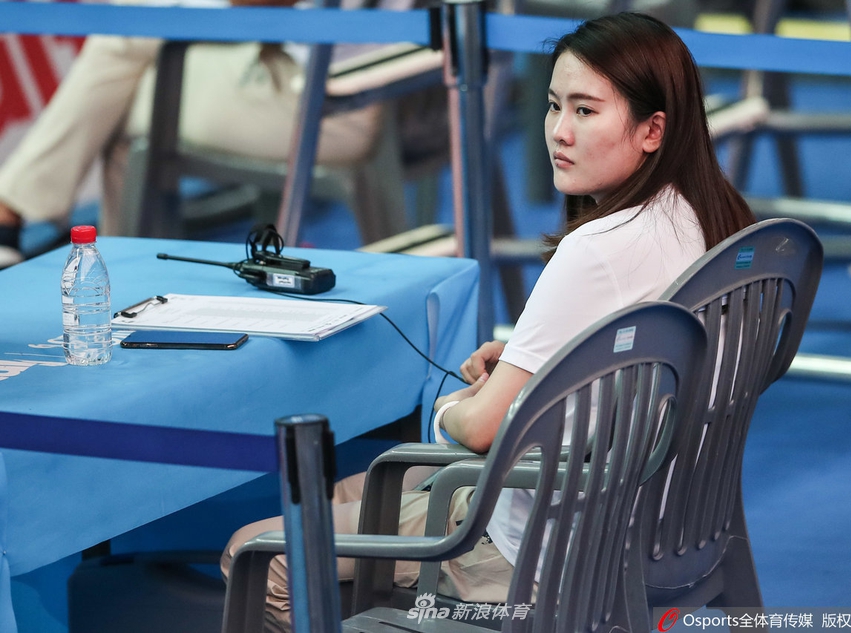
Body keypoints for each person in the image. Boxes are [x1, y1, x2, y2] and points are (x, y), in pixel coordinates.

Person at [220, 11, 756, 630]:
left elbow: (479, 431)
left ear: (652, 130)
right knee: (346, 493)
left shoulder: (597, 249)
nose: (559, 132)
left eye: (586, 111)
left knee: (258, 555)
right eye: (553, 106)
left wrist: (454, 404)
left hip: (542, 550)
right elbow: (639, 352)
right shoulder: (706, 218)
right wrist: (549, 365)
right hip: (659, 525)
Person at [0, 0, 404, 269]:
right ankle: (20, 212)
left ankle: (27, 219)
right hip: (395, 89)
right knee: (128, 46)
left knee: (124, 89)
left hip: (329, 104)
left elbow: (256, 5)